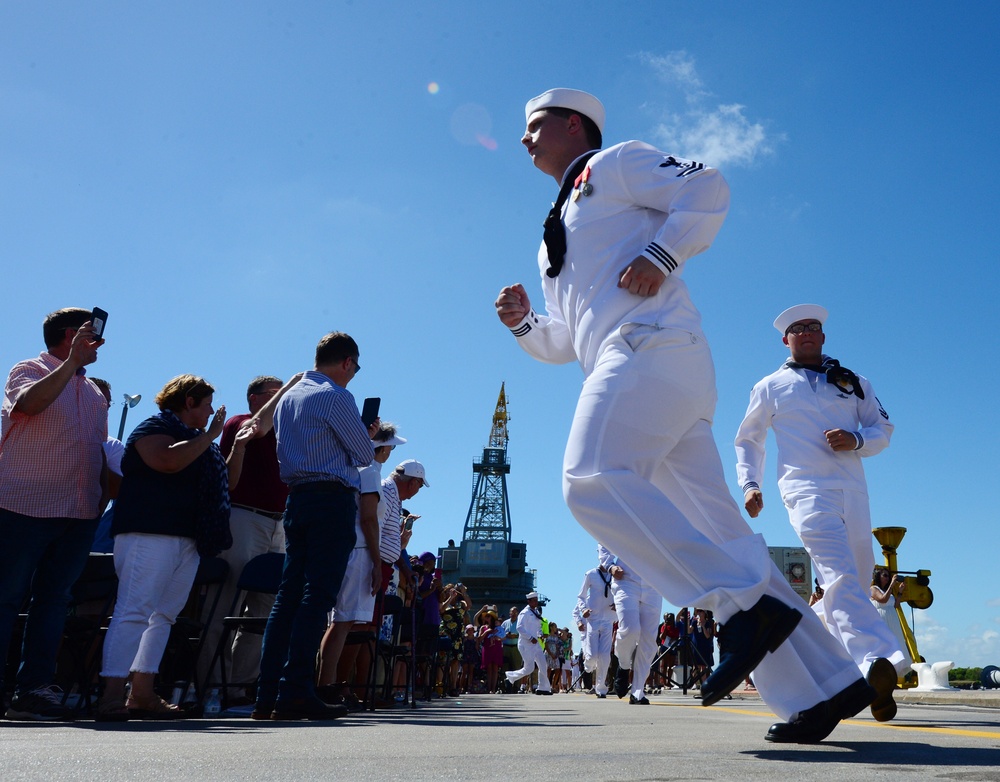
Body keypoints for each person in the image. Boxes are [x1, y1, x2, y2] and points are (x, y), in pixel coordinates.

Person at [495, 88, 876, 743]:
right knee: (724, 535)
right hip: (636, 372)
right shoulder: (553, 230)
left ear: (570, 123)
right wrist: (526, 323)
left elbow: (708, 187)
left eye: (534, 127)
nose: (525, 138)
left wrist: (662, 254)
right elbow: (568, 339)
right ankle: (826, 684)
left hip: (651, 349)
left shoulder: (612, 164)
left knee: (589, 478)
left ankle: (735, 607)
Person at [735, 304, 904, 722]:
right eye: (798, 329)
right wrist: (750, 484)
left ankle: (833, 680)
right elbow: (748, 440)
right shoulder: (770, 386)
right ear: (786, 340)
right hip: (805, 490)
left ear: (823, 337)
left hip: (853, 490)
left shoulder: (853, 381)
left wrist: (857, 439)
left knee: (854, 583)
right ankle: (881, 663)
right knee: (840, 576)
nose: (806, 333)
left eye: (813, 327)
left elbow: (883, 429)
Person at [97, 374, 240, 720]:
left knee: (163, 615)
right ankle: (112, 694)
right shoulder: (153, 427)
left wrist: (237, 446)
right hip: (148, 533)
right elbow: (167, 461)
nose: (209, 413)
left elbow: (228, 482)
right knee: (134, 609)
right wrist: (209, 437)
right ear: (189, 402)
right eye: (205, 405)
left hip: (187, 539)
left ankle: (142, 694)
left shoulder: (200, 440)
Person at [252, 332, 375, 721]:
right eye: (353, 367)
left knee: (288, 596)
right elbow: (363, 454)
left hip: (298, 498)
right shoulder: (337, 397)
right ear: (347, 362)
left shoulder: (289, 397)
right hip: (330, 498)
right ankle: (297, 690)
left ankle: (267, 694)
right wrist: (363, 433)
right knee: (318, 595)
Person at [1, 308, 108, 721]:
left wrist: (97, 502)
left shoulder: (95, 394)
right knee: (6, 599)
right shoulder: (28, 369)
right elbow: (28, 404)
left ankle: (33, 691)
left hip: (78, 514)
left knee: (54, 601)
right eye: (93, 335)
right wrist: (72, 364)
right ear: (70, 335)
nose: (100, 344)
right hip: (21, 508)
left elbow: (97, 451)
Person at [197, 374, 299, 702]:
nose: (283, 399)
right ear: (255, 398)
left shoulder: (286, 431)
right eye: (275, 394)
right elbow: (261, 426)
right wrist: (290, 386)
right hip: (243, 517)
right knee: (223, 604)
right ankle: (212, 683)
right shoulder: (240, 422)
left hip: (277, 524)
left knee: (264, 612)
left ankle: (238, 685)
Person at [599, 545, 659, 705]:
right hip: (626, 580)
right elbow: (603, 537)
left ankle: (638, 691)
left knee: (649, 640)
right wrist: (610, 566)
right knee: (630, 630)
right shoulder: (625, 518)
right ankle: (624, 665)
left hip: (654, 583)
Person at [574, 555, 616, 698]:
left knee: (605, 656)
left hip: (608, 619)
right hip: (593, 619)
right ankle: (588, 666)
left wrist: (618, 604)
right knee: (592, 656)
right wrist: (583, 609)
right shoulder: (590, 574)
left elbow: (622, 592)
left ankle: (601, 688)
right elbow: (581, 596)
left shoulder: (615, 575)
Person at [504, 593, 551, 694]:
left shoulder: (536, 612)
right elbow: (519, 627)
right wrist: (530, 637)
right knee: (529, 668)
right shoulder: (524, 613)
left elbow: (537, 627)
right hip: (526, 644)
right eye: (534, 600)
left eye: (536, 600)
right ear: (529, 601)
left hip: (536, 643)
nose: (536, 602)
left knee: (543, 664)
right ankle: (510, 676)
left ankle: (543, 687)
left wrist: (540, 634)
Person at [870, 568, 909, 659]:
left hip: (892, 620)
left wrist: (900, 592)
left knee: (896, 642)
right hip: (881, 620)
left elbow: (895, 605)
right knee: (884, 643)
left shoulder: (888, 591)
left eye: (889, 576)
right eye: (885, 575)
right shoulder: (873, 589)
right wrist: (891, 585)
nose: (887, 578)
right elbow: (883, 599)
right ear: (878, 576)